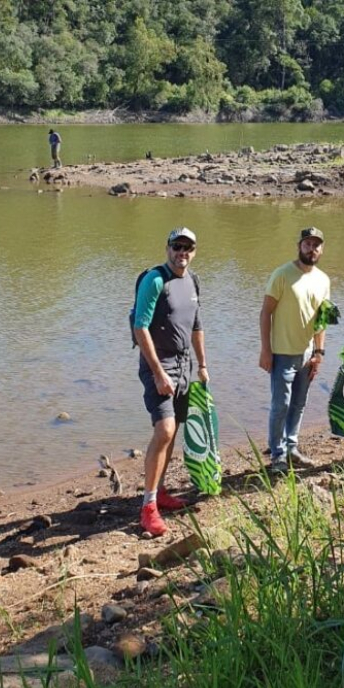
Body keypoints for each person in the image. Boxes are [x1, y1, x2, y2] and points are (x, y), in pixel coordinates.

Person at [133, 227, 208, 536]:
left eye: (188, 248)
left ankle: (160, 491)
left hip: (184, 363)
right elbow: (141, 327)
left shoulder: (193, 281)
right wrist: (158, 372)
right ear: (168, 248)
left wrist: (202, 364)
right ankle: (148, 506)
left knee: (173, 429)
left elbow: (196, 326)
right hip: (159, 363)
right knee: (163, 429)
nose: (182, 253)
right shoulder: (155, 279)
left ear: (194, 251)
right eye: (177, 246)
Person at [259, 227, 331, 473]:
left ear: (322, 249)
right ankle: (277, 454)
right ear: (299, 246)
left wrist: (319, 353)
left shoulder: (323, 280)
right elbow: (265, 312)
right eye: (308, 244)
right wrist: (265, 350)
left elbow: (322, 320)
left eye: (316, 245)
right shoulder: (282, 274)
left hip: (307, 354)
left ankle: (292, 448)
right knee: (281, 404)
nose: (312, 249)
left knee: (299, 404)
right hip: (281, 353)